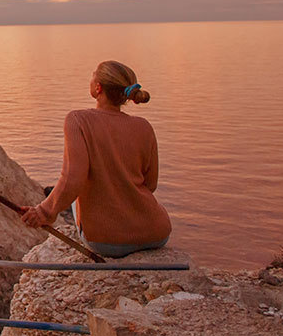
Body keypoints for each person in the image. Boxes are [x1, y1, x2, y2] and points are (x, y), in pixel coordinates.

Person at [19, 60, 171, 258]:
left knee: (76, 200)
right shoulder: (144, 126)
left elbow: (72, 180)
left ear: (98, 87)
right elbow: (150, 184)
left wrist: (44, 213)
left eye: (93, 75)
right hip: (156, 233)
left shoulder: (78, 120)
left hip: (107, 242)